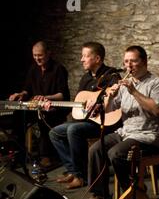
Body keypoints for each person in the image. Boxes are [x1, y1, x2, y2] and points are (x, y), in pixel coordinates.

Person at [87, 45, 159, 199]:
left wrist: (134, 92)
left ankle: (133, 194)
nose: (128, 66)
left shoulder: (157, 83)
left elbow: (156, 110)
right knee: (95, 150)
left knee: (116, 153)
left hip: (147, 136)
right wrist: (110, 98)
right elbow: (110, 110)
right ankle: (101, 197)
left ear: (144, 62)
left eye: (133, 61)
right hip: (125, 132)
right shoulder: (125, 83)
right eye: (126, 62)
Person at [49, 42, 121, 189]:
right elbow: (79, 106)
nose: (81, 59)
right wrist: (52, 105)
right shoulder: (85, 79)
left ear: (97, 59)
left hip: (106, 122)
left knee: (73, 130)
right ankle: (74, 171)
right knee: (54, 132)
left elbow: (117, 94)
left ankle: (82, 176)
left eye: (85, 56)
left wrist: (100, 102)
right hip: (88, 121)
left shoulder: (111, 75)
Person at [9, 40, 70, 169]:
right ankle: (19, 154)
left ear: (48, 53)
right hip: (36, 106)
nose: (37, 58)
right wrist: (21, 94)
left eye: (40, 55)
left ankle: (46, 156)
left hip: (54, 107)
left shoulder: (59, 69)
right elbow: (27, 89)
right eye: (35, 55)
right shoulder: (33, 69)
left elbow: (62, 94)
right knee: (18, 117)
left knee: (44, 117)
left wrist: (46, 97)